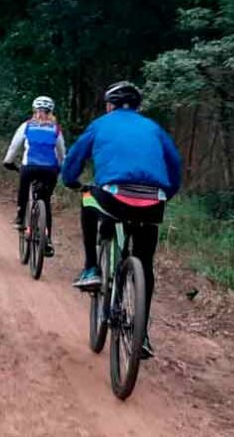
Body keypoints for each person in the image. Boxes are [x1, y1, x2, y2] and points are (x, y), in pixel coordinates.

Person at [60, 81, 182, 359]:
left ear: (109, 105)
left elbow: (75, 158)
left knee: (87, 198)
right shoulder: (153, 128)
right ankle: (142, 334)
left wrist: (70, 181)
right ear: (138, 106)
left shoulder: (101, 124)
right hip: (154, 200)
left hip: (114, 197)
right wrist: (166, 194)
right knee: (145, 263)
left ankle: (91, 268)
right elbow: (175, 164)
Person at [2, 96, 66, 257]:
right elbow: (61, 153)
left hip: (29, 167)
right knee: (45, 201)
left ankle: (20, 216)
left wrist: (8, 162)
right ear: (51, 112)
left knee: (24, 190)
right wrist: (61, 168)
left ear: (34, 111)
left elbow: (14, 146)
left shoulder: (26, 126)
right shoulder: (56, 129)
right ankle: (47, 239)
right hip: (50, 170)